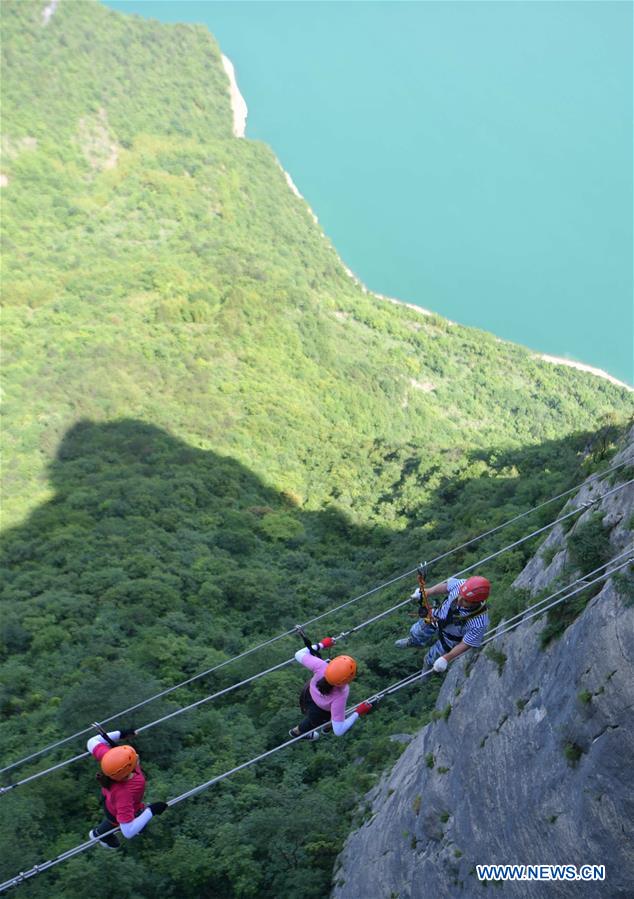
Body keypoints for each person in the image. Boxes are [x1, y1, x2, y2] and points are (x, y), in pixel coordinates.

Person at [87, 727, 168, 849]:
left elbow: (91, 742)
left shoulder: (111, 759)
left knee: (123, 820)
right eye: (134, 756)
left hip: (110, 799)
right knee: (128, 824)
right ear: (127, 769)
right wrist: (151, 810)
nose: (136, 755)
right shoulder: (125, 794)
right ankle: (100, 835)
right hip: (116, 807)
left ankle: (98, 834)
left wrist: (121, 734)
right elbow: (128, 832)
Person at [395, 575, 490, 673]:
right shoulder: (461, 584)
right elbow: (446, 587)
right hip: (437, 617)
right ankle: (413, 642)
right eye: (461, 594)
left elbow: (466, 644)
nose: (459, 600)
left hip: (451, 637)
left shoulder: (479, 622)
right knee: (417, 631)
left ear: (476, 602)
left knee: (433, 659)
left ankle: (426, 669)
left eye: (465, 600)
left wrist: (446, 658)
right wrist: (426, 592)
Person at [289, 637, 376, 741]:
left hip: (307, 695)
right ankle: (297, 732)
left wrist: (321, 645)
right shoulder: (341, 694)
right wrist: (358, 712)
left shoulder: (321, 666)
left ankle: (325, 726)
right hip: (319, 712)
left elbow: (298, 654)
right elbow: (339, 731)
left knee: (329, 715)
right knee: (329, 717)